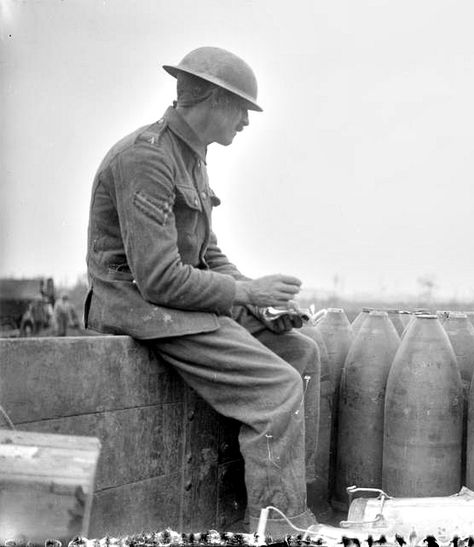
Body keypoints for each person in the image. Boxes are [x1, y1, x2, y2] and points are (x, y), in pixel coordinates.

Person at [85, 46, 320, 536]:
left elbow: (207, 254)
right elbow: (159, 279)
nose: (246, 124)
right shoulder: (146, 159)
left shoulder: (190, 158)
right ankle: (278, 530)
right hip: (142, 309)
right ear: (211, 100)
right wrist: (245, 294)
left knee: (301, 355)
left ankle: (284, 504)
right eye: (241, 110)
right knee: (277, 388)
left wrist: (262, 299)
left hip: (177, 306)